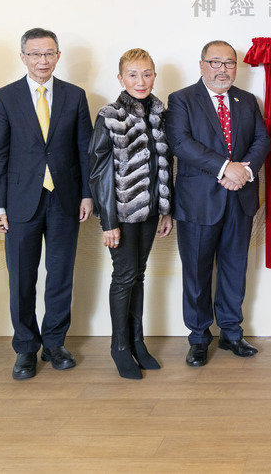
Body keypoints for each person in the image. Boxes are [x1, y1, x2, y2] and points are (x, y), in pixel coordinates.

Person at [0, 28, 93, 380]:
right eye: (35, 54)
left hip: (64, 199)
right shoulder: (4, 98)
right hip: (19, 203)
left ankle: (56, 343)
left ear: (58, 56)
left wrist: (87, 194)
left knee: (60, 276)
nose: (42, 61)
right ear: (23, 57)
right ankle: (26, 348)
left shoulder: (75, 96)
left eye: (49, 54)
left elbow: (85, 151)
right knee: (22, 279)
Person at [166, 40, 271, 367]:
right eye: (215, 62)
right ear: (201, 65)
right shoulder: (182, 100)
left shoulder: (247, 101)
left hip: (239, 199)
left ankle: (231, 332)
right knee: (196, 273)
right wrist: (227, 168)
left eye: (229, 63)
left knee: (233, 269)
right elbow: (182, 144)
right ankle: (198, 337)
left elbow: (261, 141)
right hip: (198, 203)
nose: (222, 69)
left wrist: (245, 171)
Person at [88, 49, 173, 379]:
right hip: (121, 215)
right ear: (121, 78)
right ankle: (119, 346)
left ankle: (137, 342)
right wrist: (108, 221)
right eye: (133, 75)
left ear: (154, 76)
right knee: (124, 277)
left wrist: (166, 210)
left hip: (151, 212)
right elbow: (99, 171)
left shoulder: (159, 113)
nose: (141, 81)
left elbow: (164, 165)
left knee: (138, 274)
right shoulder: (110, 115)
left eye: (147, 73)